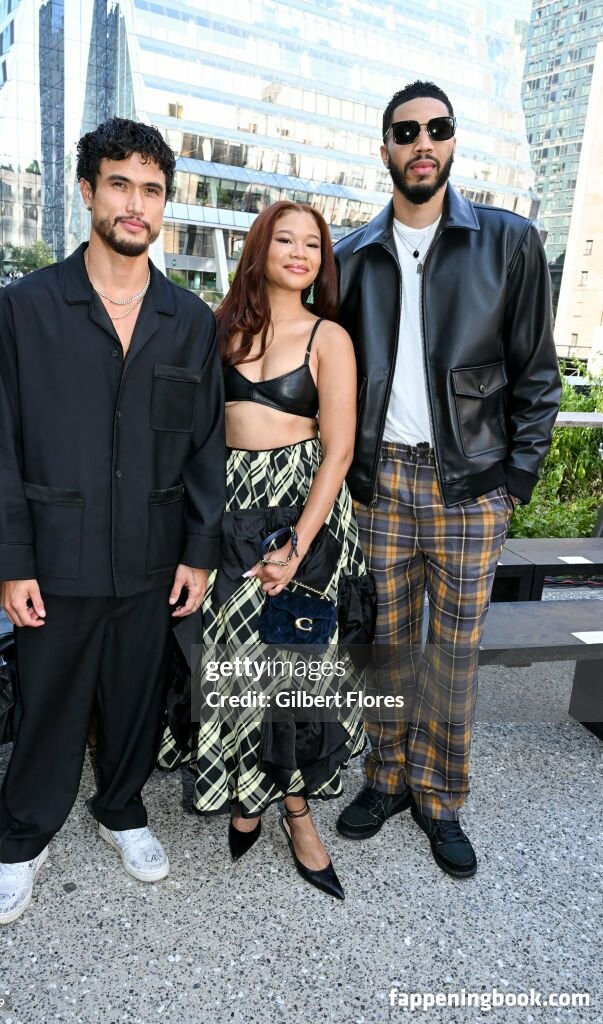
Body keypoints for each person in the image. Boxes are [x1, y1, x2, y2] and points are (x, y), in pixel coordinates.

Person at [0, 117, 226, 924]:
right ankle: (24, 836)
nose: (135, 204)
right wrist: (12, 562)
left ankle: (121, 807)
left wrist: (199, 550)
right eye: (120, 184)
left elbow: (204, 447)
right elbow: (3, 447)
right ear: (88, 192)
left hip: (153, 554)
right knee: (48, 701)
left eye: (151, 189)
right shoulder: (25, 309)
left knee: (135, 698)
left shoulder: (190, 320)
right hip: (56, 553)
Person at [334, 81, 561, 877]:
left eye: (436, 128)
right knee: (389, 646)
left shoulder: (508, 242)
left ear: (453, 141)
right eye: (406, 132)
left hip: (470, 487)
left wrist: (513, 484)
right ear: (386, 149)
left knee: (452, 655)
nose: (421, 142)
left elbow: (536, 375)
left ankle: (438, 795)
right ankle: (385, 778)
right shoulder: (351, 255)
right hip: (380, 485)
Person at [159, 201, 373, 899]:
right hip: (227, 510)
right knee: (233, 661)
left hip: (299, 511)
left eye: (313, 243)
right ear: (260, 247)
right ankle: (248, 795)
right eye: (285, 239)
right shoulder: (217, 329)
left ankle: (297, 813)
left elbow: (338, 451)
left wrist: (297, 545)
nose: (300, 252)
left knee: (293, 669)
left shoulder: (329, 338)